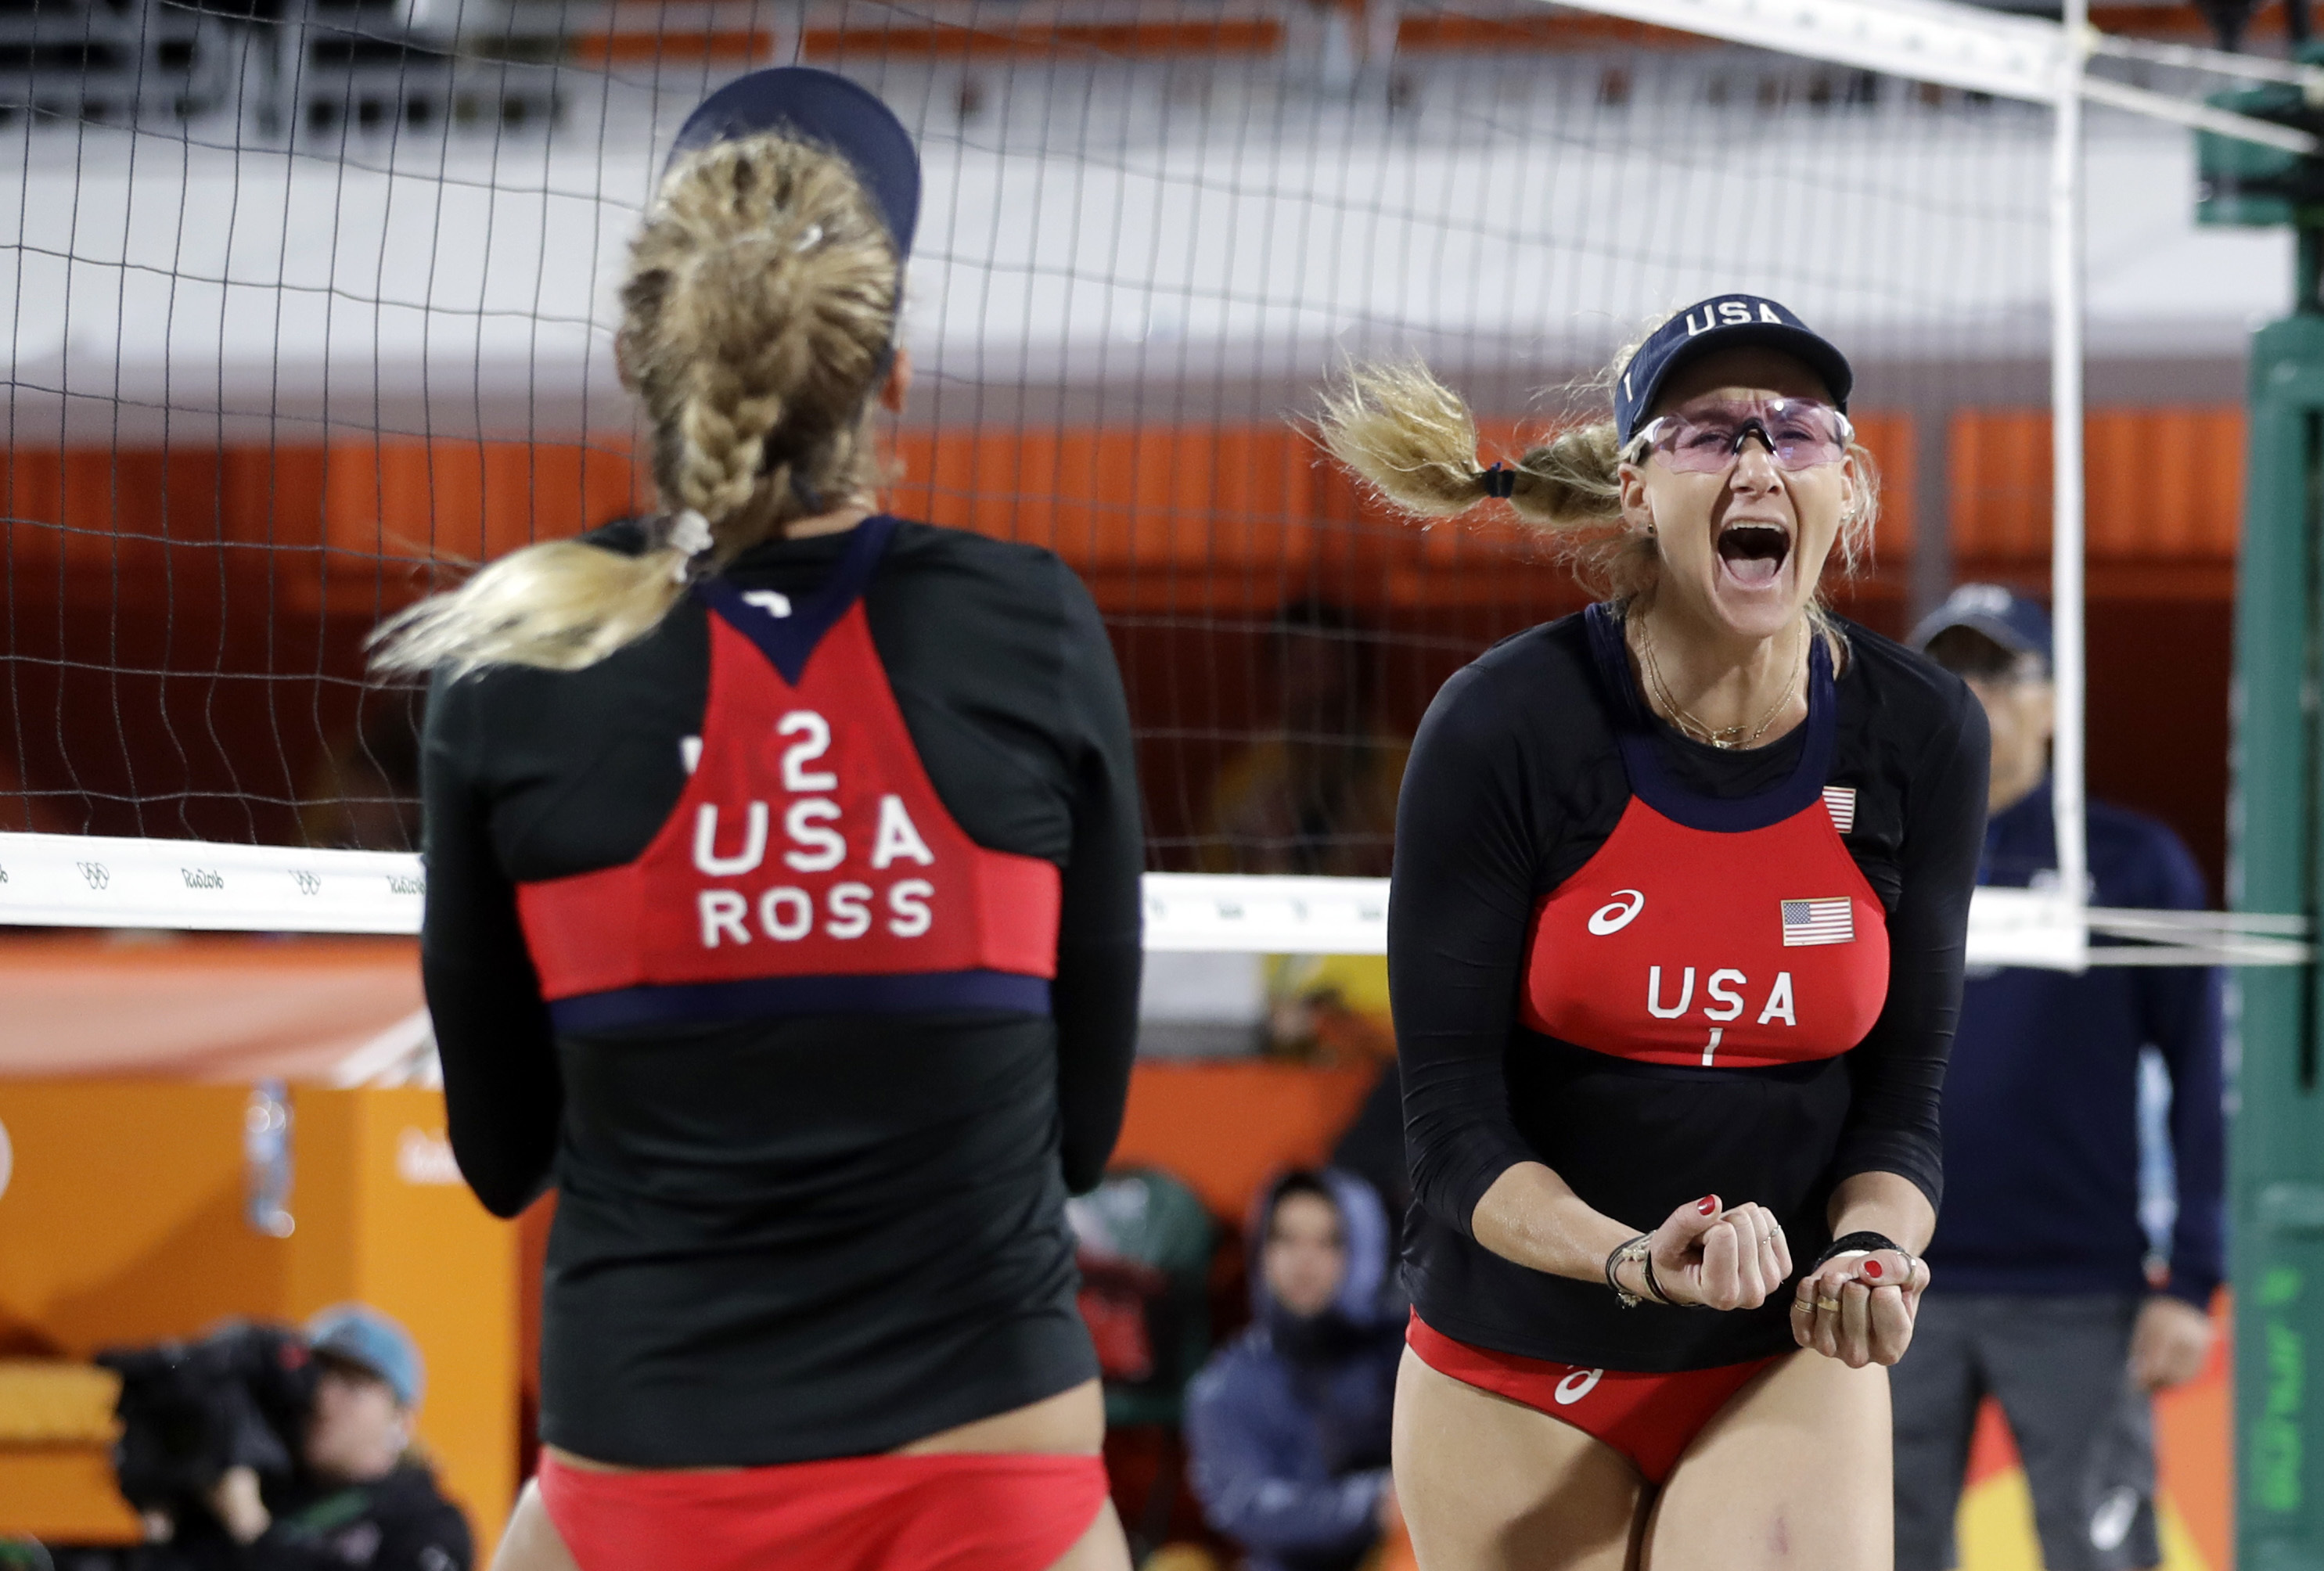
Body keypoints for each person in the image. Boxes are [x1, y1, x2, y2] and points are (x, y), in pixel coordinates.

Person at [372, 67, 1144, 1571]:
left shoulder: (517, 648)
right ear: (889, 377)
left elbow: (502, 1157)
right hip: (987, 1465)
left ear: (638, 361)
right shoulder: (1032, 623)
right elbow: (1085, 1135)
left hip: (652, 1464)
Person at [1316, 295, 1990, 1569]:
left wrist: (1870, 1251)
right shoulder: (1506, 724)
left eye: (1796, 431)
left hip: (1777, 1346)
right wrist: (1632, 1258)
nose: (1757, 461)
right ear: (1634, 491)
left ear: (1845, 486)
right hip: (1519, 1351)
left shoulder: (1920, 732)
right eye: (1709, 431)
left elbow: (1903, 1108)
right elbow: (1450, 1132)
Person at [1890, 585, 2224, 1571]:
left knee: (2100, 1551)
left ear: (2055, 701)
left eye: (2002, 672)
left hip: (2080, 1291)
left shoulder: (2133, 864)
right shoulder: (1869, 859)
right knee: (1879, 1548)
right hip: (1893, 1283)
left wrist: (2192, 1280)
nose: (1974, 693)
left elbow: (2204, 1078)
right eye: (1950, 671)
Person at [1184, 1170, 1405, 1571]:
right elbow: (1245, 1506)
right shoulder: (1228, 1382)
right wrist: (1374, 1503)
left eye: (1330, 1241)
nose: (1304, 1260)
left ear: (1367, 1249)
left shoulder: (1412, 1362)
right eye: (1285, 1239)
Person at [187, 1306, 474, 1571]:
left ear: (401, 1419)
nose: (322, 1398)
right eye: (313, 1378)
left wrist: (253, 1531)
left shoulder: (429, 1524)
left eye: (352, 1384)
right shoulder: (258, 1488)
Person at [1202, 597, 1406, 879]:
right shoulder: (1243, 786)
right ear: (1276, 679)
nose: (1318, 684)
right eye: (1302, 667)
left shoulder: (1405, 775)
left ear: (1356, 674)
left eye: (1330, 664)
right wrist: (1261, 857)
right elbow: (1208, 883)